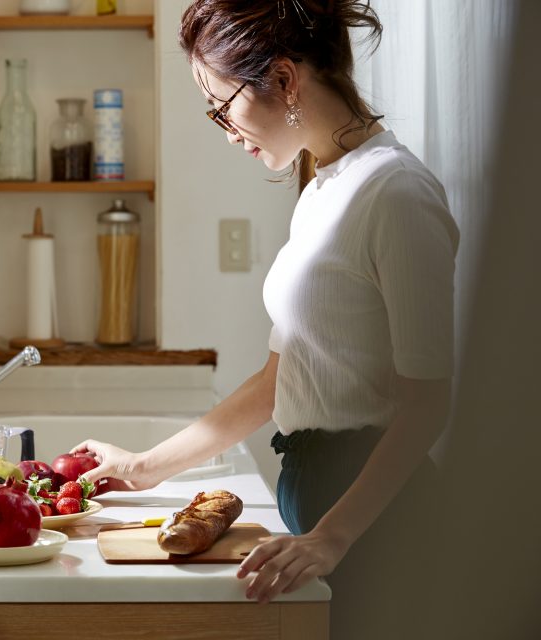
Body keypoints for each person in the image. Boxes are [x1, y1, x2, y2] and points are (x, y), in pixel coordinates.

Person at [73, 1, 459, 637]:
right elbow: (284, 375)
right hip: (325, 505)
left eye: (223, 105)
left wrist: (332, 538)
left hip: (382, 523)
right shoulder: (322, 189)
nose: (226, 130)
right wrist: (146, 466)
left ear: (283, 80)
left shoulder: (396, 192)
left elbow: (428, 404)